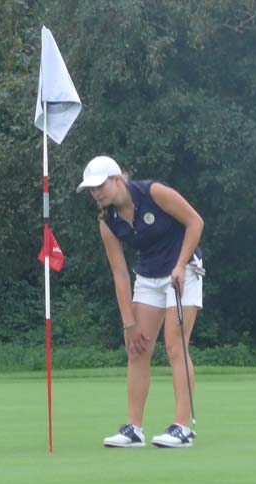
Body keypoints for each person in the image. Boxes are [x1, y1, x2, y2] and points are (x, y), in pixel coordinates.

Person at [77, 156, 205, 449]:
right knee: (137, 348)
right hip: (148, 278)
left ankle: (182, 427)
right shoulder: (106, 222)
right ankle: (134, 429)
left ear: (117, 180)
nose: (96, 194)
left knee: (175, 345)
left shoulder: (153, 192)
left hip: (183, 271)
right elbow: (120, 273)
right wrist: (129, 323)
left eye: (100, 186)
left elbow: (195, 222)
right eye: (91, 190)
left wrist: (181, 264)